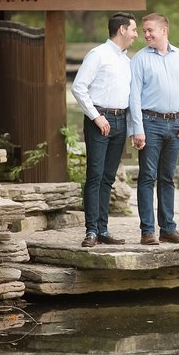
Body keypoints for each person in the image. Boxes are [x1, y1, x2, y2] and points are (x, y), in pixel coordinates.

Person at [129, 12, 179, 245]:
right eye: (144, 30)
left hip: (175, 124)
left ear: (164, 31)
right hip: (149, 124)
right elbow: (134, 98)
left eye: (150, 30)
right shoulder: (139, 59)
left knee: (167, 178)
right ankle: (147, 231)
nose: (146, 34)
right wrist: (137, 129)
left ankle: (168, 229)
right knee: (147, 177)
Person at [71, 12, 138, 248]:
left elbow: (130, 98)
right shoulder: (98, 55)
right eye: (133, 30)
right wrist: (96, 117)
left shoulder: (128, 61)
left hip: (120, 122)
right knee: (95, 175)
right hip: (100, 120)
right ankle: (91, 231)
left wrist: (132, 128)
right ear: (121, 29)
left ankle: (103, 230)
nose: (135, 35)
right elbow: (79, 88)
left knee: (108, 178)